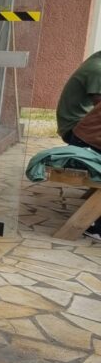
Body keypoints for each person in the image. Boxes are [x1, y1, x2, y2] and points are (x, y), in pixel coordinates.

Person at [55, 51, 101, 240]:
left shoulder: (97, 60)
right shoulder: (97, 70)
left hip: (84, 131)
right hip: (76, 130)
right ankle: (95, 226)